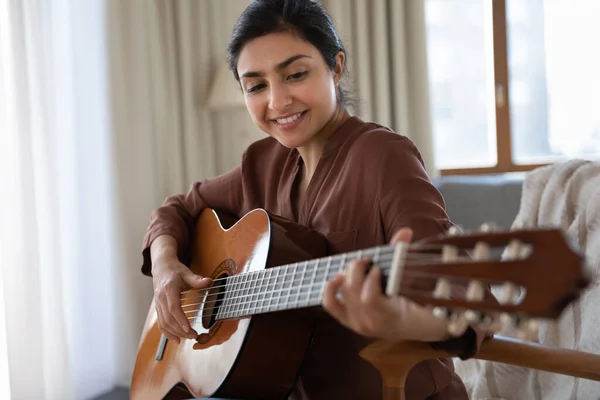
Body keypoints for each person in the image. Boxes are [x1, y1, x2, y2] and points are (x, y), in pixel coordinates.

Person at [142, 0, 482, 398]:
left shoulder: (385, 157)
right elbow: (177, 208)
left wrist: (400, 321)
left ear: (335, 67)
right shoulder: (261, 162)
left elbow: (463, 299)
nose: (278, 101)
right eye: (256, 86)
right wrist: (166, 268)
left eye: (296, 74)